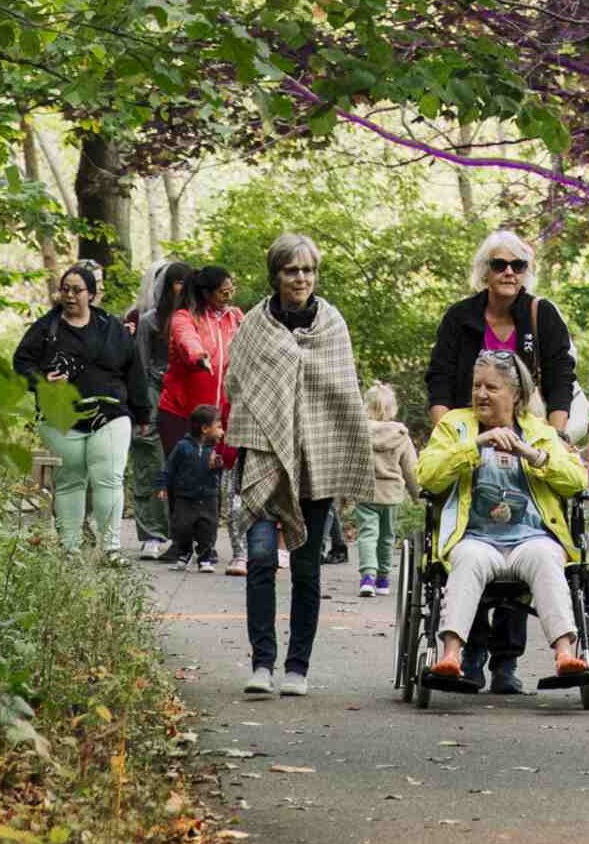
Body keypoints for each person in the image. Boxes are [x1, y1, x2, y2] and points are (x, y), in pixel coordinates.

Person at [423, 229, 577, 694]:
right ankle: (462, 656)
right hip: (469, 434)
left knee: (534, 541)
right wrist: (458, 437)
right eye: (498, 264)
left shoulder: (540, 314)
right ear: (484, 271)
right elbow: (440, 378)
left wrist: (551, 440)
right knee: (472, 550)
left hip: (530, 430)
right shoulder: (461, 319)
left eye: (517, 265)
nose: (508, 272)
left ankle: (511, 663)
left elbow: (562, 374)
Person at [224, 234, 372, 698]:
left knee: (308, 568)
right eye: (292, 270)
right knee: (263, 558)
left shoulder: (332, 325)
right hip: (262, 457)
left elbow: (343, 393)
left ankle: (297, 667)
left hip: (316, 461)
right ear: (276, 275)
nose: (301, 278)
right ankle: (262, 663)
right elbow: (236, 385)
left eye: (308, 270)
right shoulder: (254, 325)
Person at [419, 350, 589, 683]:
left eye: (492, 388)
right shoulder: (454, 427)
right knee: (466, 560)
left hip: (531, 538)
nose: (481, 394)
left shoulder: (540, 432)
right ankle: (450, 657)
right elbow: (427, 476)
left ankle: (566, 654)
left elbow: (576, 481)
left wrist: (532, 455)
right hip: (474, 538)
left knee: (546, 557)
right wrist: (474, 445)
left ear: (516, 394)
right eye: (476, 386)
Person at [14, 265, 152, 563]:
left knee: (109, 479)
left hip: (111, 413)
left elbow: (134, 369)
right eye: (65, 289)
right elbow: (21, 363)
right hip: (61, 417)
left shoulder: (111, 328)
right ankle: (71, 548)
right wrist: (40, 380)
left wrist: (142, 414)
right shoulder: (45, 329)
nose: (70, 295)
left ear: (91, 294)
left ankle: (109, 548)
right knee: (70, 481)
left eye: (77, 290)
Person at [159, 265, 245, 568]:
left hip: (218, 415)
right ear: (207, 293)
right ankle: (180, 542)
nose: (230, 296)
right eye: (224, 292)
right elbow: (186, 340)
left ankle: (205, 543)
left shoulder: (235, 318)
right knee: (183, 476)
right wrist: (199, 356)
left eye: (232, 290)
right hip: (181, 411)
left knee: (213, 474)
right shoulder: (186, 317)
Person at [127, 261, 191, 558]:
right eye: (176, 282)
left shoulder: (198, 321)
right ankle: (152, 532)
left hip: (189, 395)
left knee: (190, 461)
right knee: (149, 456)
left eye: (186, 282)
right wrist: (140, 407)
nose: (181, 287)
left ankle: (188, 536)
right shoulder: (150, 321)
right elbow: (139, 363)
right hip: (153, 389)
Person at [355, 382, 421, 596]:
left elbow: (351, 462)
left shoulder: (359, 432)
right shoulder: (400, 435)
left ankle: (368, 577)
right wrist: (417, 494)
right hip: (391, 494)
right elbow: (411, 469)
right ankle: (383, 579)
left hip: (366, 491)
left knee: (367, 534)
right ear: (392, 408)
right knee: (386, 536)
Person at [159, 404, 224, 571]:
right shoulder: (183, 446)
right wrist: (163, 486)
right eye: (218, 427)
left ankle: (205, 558)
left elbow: (220, 471)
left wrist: (218, 465)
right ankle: (184, 553)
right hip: (185, 497)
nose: (222, 431)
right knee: (182, 527)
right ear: (204, 428)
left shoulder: (217, 450)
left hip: (209, 497)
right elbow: (170, 467)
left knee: (208, 528)